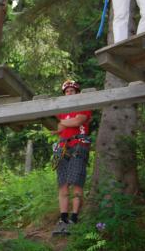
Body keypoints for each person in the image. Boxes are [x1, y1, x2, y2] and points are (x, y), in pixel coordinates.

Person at [52, 80, 92, 236]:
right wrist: (62, 123)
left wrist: (63, 123)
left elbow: (78, 120)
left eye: (72, 91)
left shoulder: (83, 105)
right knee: (62, 184)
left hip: (78, 145)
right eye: (67, 91)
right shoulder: (62, 111)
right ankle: (63, 218)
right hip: (62, 147)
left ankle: (74, 217)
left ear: (77, 93)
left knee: (76, 182)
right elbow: (58, 128)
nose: (69, 93)